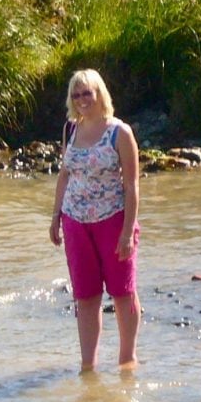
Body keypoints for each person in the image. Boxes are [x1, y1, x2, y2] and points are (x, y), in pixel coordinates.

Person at [49, 69, 141, 371]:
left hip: (112, 219)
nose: (81, 100)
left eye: (86, 93)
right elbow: (65, 174)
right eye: (76, 95)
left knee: (122, 292)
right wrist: (55, 217)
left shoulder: (119, 132)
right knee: (85, 296)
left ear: (99, 93)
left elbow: (131, 186)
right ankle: (88, 365)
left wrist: (127, 233)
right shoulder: (70, 129)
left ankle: (127, 358)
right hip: (75, 222)